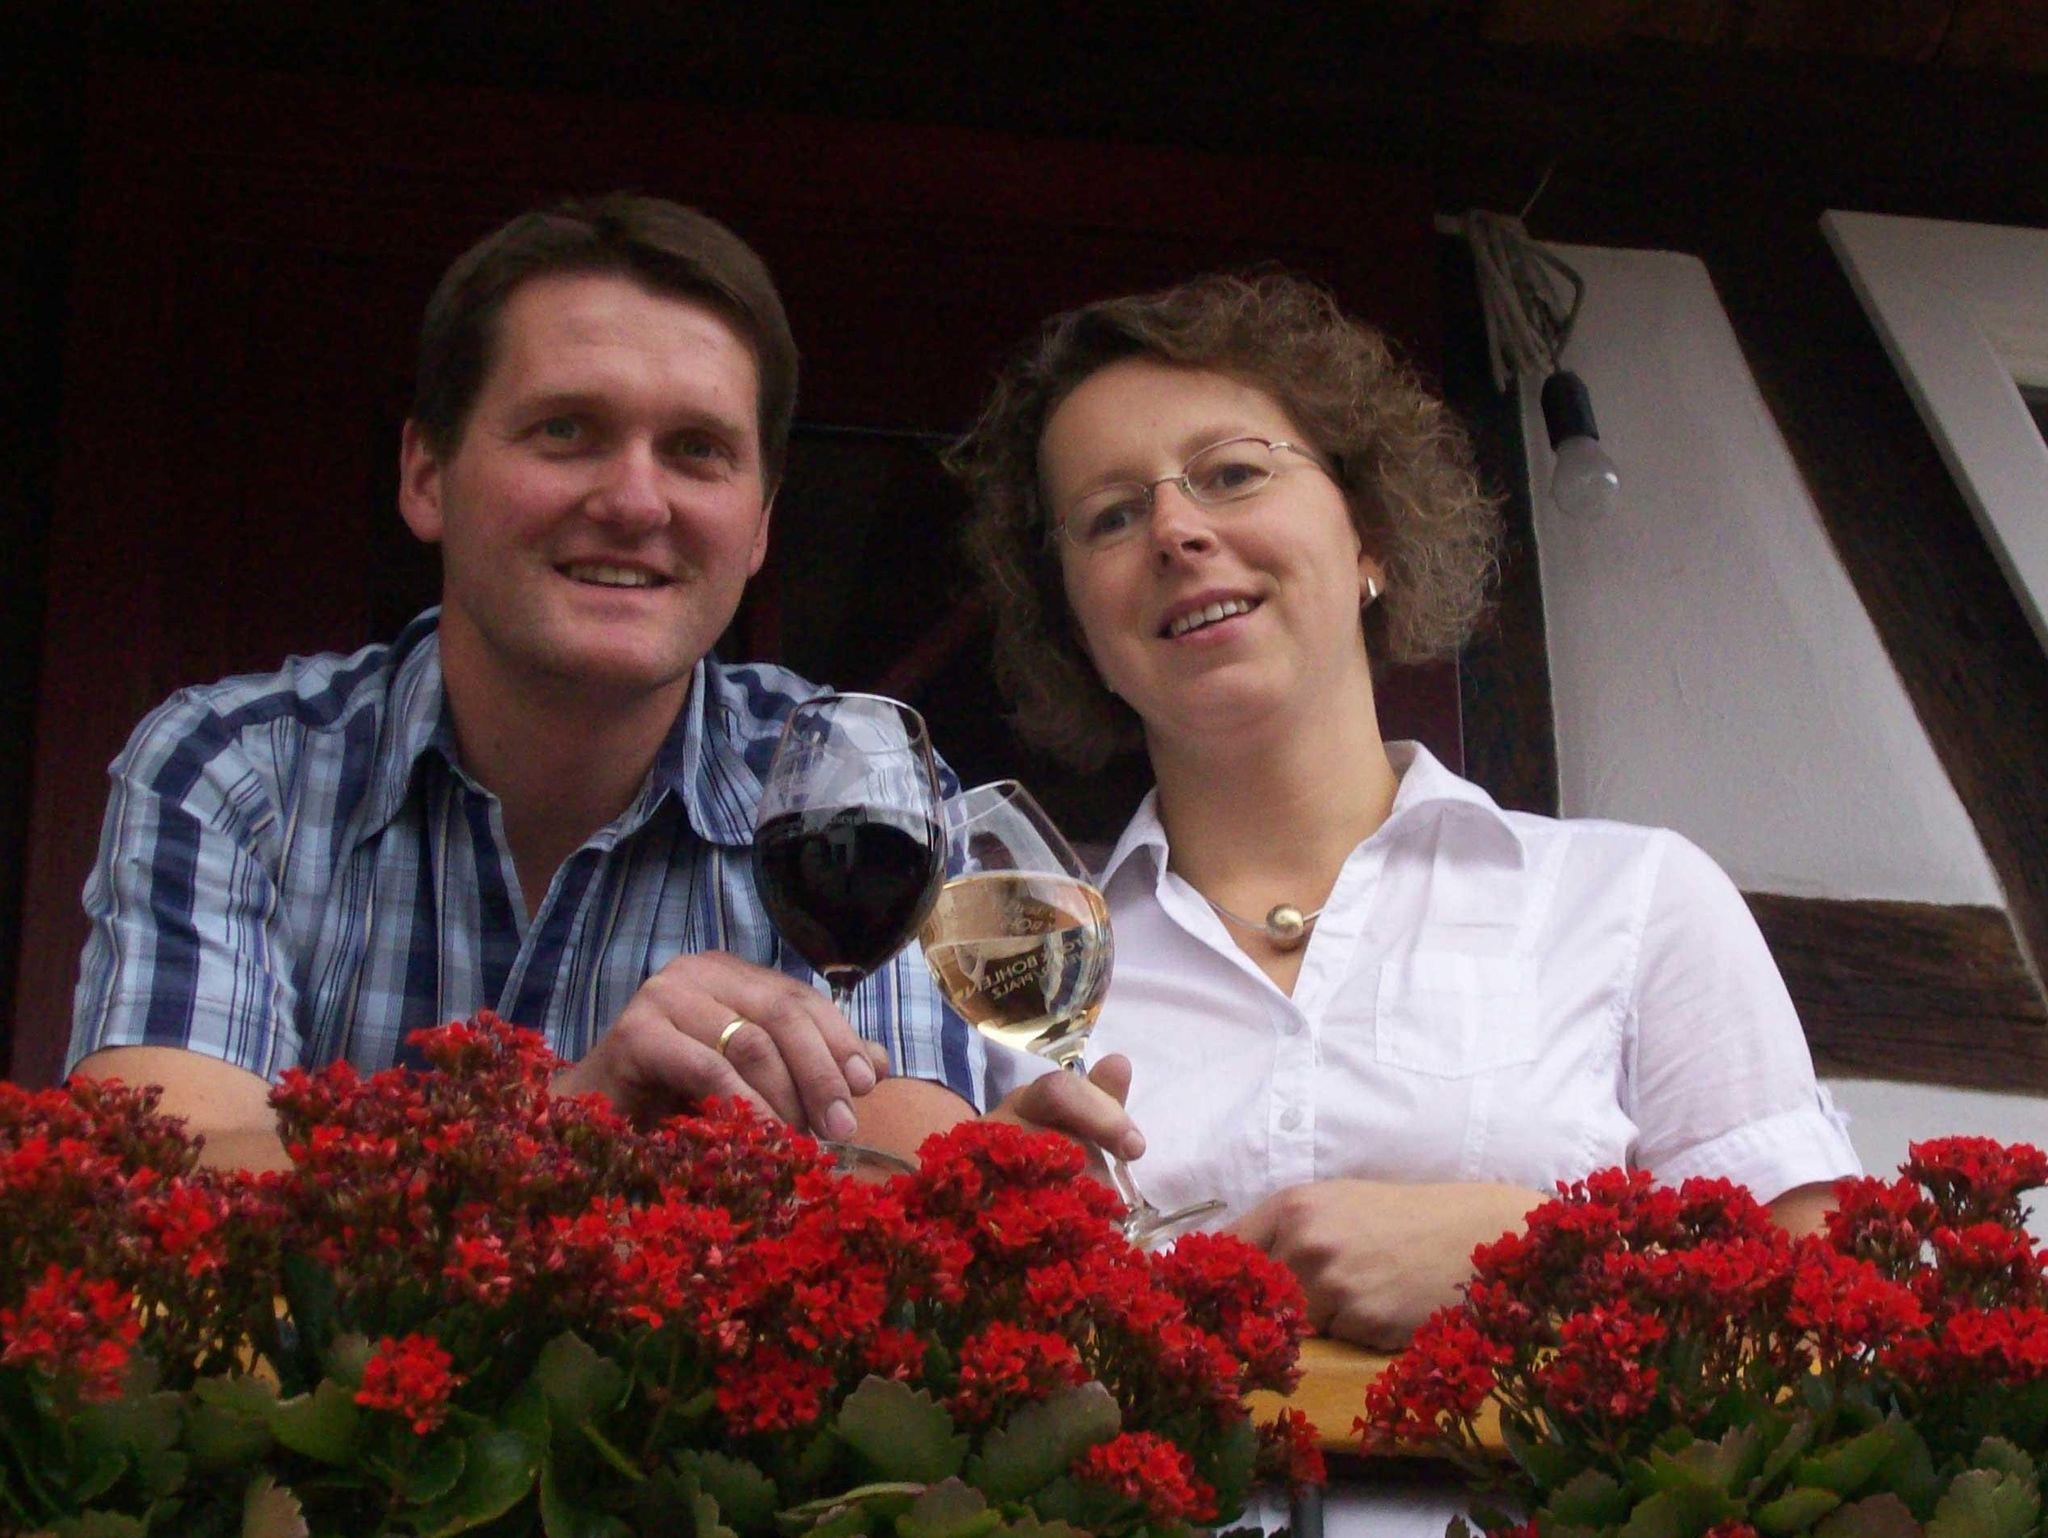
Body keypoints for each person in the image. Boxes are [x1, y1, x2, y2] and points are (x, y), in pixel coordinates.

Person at [949, 273, 1862, 1533]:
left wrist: (1530, 1257)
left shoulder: (1631, 897)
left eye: (1231, 472)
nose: (1174, 529)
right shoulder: (1011, 972)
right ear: (1077, 625)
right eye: (1109, 515)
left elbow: (1834, 1331)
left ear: (1368, 534)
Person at [67, 193, 1136, 1175]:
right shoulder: (236, 769)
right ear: (426, 476)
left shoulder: (857, 789)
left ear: (760, 526)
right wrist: (569, 1119)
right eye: (566, 430)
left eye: (696, 450)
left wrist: (987, 1193)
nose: (633, 501)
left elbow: (891, 1180)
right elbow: (146, 1184)